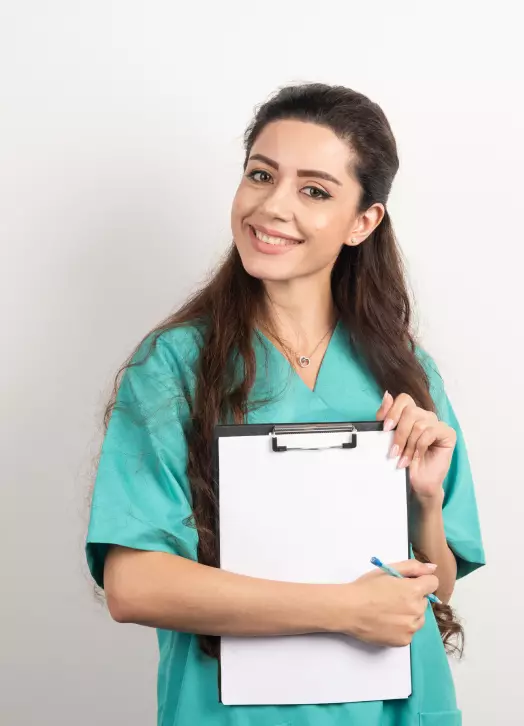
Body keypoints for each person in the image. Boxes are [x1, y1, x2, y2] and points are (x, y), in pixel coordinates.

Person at [85, 82, 485, 726]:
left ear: (363, 222)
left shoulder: (406, 371)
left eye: (314, 190)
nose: (272, 207)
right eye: (260, 175)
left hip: (401, 710)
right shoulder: (176, 367)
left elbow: (432, 586)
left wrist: (428, 499)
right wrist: (344, 608)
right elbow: (133, 586)